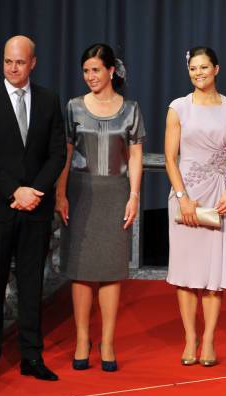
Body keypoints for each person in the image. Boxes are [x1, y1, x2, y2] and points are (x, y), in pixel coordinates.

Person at [0, 35, 66, 383]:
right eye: (8, 61)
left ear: (33, 63)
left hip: (35, 209)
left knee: (31, 286)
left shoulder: (49, 100)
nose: (13, 68)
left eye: (20, 62)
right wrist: (15, 191)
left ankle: (31, 357)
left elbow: (57, 153)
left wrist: (35, 191)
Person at [55, 44, 145, 372]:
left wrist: (134, 195)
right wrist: (60, 192)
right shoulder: (74, 107)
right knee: (80, 270)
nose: (90, 76)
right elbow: (64, 154)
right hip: (80, 192)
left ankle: (107, 340)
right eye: (86, 70)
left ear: (111, 71)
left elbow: (135, 156)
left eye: (96, 69)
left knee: (110, 270)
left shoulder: (131, 109)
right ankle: (82, 338)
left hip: (116, 192)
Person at [165, 46, 226, 367]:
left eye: (204, 67)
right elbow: (171, 157)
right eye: (193, 68)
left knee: (213, 274)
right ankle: (190, 338)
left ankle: (209, 339)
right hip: (186, 196)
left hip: (219, 196)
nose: (198, 73)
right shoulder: (178, 108)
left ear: (216, 69)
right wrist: (182, 196)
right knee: (185, 275)